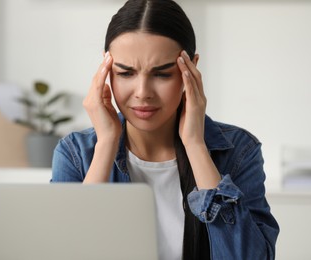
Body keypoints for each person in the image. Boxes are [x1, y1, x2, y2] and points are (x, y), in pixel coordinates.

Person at [51, 0, 279, 259]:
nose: (142, 93)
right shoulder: (74, 153)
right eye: (126, 73)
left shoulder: (239, 151)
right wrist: (106, 144)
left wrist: (195, 145)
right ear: (106, 72)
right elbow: (68, 250)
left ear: (190, 69)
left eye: (162, 74)